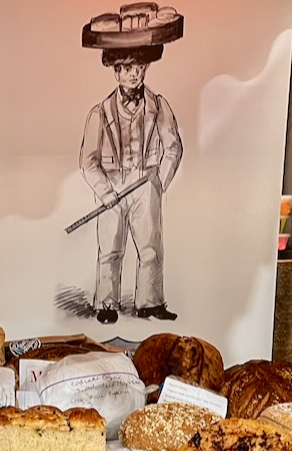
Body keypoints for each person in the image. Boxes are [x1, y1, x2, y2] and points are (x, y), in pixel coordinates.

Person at [79, 43, 183, 325]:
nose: (134, 74)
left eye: (138, 67)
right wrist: (104, 192)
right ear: (115, 72)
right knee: (110, 248)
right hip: (112, 187)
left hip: (145, 183)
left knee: (151, 246)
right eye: (126, 68)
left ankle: (150, 303)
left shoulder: (158, 105)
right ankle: (106, 304)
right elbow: (88, 161)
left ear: (146, 68)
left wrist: (159, 181)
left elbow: (173, 148)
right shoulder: (99, 113)